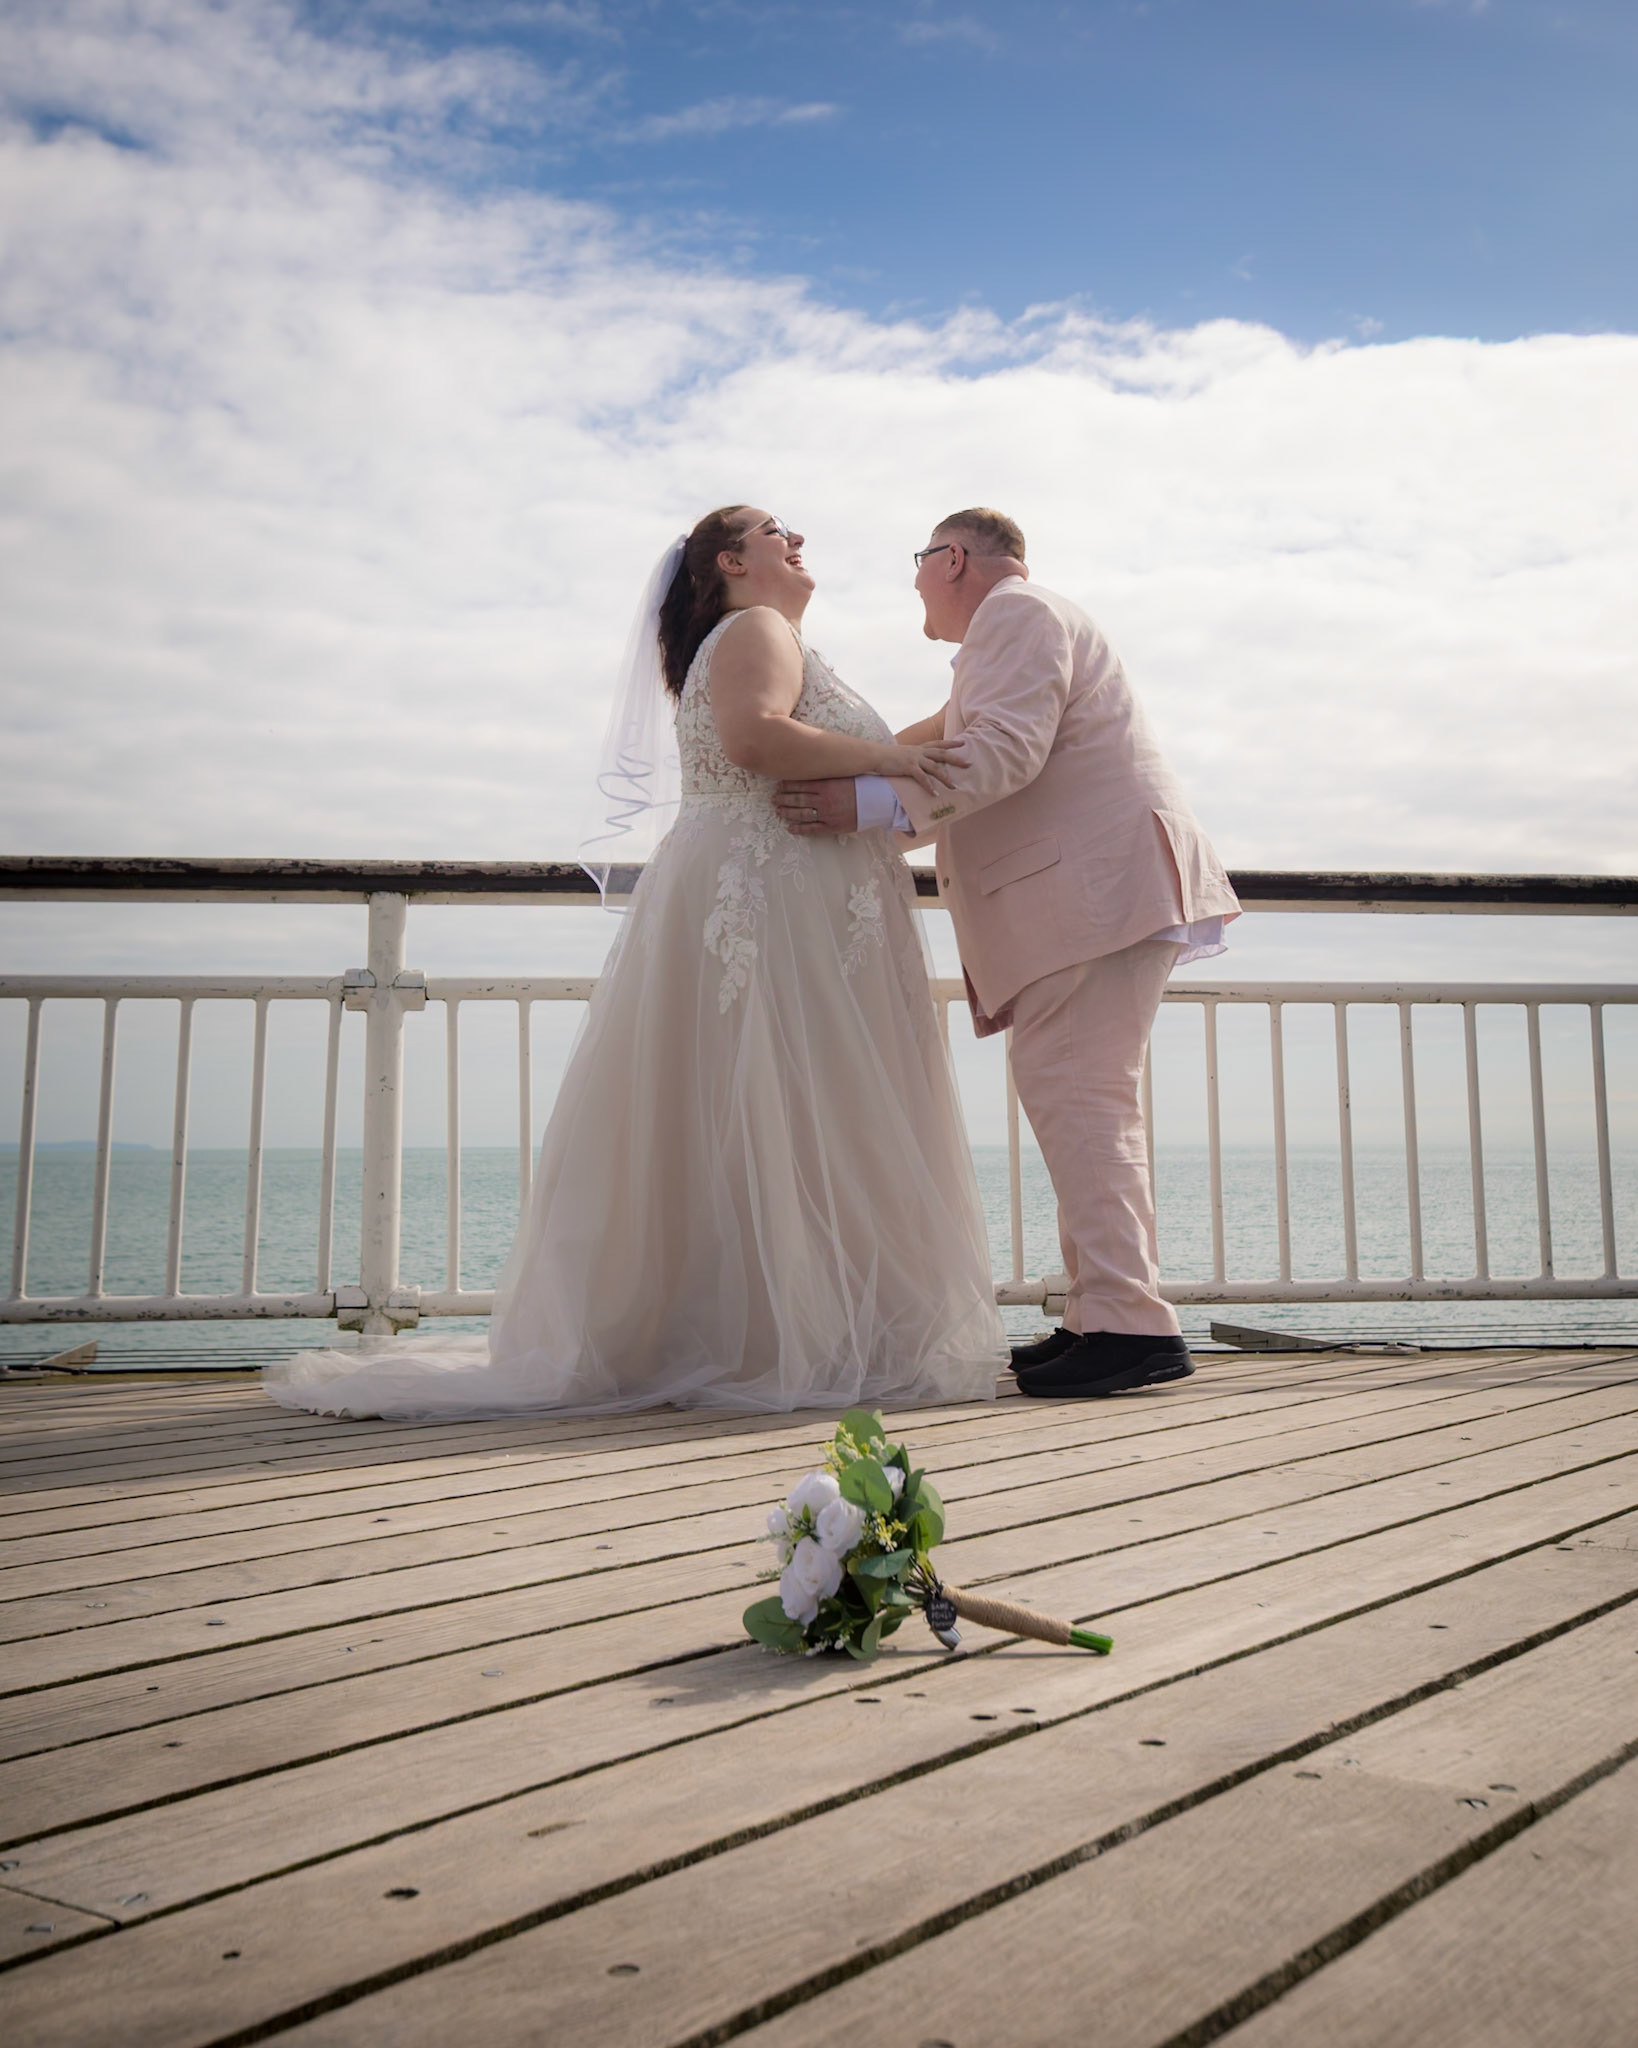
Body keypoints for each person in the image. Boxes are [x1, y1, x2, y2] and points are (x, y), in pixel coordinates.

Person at [264, 507, 1008, 1420]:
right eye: (776, 531)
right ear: (732, 563)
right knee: (780, 1103)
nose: (798, 538)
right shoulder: (756, 628)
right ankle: (764, 1337)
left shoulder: (768, 634)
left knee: (783, 1111)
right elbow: (754, 737)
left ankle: (780, 1327)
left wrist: (953, 732)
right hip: (765, 905)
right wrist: (895, 757)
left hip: (786, 901)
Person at [775, 508, 1239, 1399]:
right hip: (1094, 898)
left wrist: (860, 811)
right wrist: (827, 779)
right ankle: (1101, 1314)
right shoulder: (1021, 632)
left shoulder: (1017, 618)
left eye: (920, 564)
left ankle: (1132, 1326)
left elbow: (999, 758)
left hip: (1092, 898)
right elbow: (942, 746)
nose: (915, 583)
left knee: (1084, 1106)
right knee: (1082, 1106)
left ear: (953, 558)